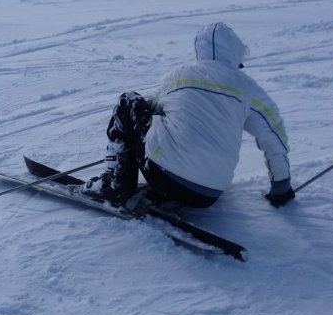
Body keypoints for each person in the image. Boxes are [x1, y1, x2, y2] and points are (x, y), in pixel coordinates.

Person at [82, 22, 295, 209]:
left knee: (128, 101)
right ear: (236, 53)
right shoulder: (248, 88)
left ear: (199, 51)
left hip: (162, 176)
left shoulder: (178, 76)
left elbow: (148, 111)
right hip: (209, 193)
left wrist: (126, 145)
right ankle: (174, 179)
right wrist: (281, 187)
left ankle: (115, 185)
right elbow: (273, 138)